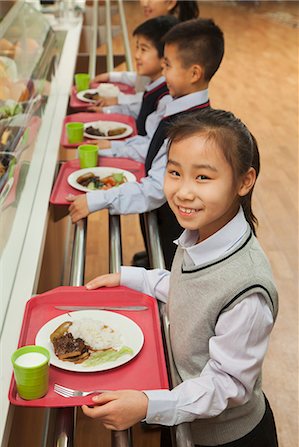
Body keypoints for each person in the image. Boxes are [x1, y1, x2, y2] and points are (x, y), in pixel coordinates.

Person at [81, 108, 279, 447]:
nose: (184, 191)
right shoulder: (203, 233)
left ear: (245, 181)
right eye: (175, 172)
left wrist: (148, 405)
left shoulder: (248, 288)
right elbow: (188, 285)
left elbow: (226, 386)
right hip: (183, 415)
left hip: (225, 439)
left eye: (203, 177)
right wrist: (132, 278)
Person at [67, 18, 225, 270]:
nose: (163, 75)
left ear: (194, 73)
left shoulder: (189, 129)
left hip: (178, 231)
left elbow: (154, 190)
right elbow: (151, 144)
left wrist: (97, 200)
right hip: (168, 222)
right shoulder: (180, 109)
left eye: (169, 67)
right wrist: (112, 149)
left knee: (172, 271)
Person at [90, 0, 199, 113]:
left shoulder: (167, 91)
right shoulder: (157, 39)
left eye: (143, 49)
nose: (144, 3)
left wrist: (117, 102)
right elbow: (143, 83)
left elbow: (148, 99)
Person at [88, 15, 178, 138]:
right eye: (137, 48)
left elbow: (149, 144)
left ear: (165, 56)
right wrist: (107, 111)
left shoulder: (165, 97)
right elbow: (140, 111)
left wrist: (111, 147)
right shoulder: (153, 86)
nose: (136, 55)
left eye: (143, 49)